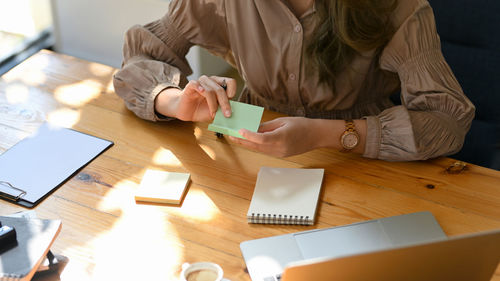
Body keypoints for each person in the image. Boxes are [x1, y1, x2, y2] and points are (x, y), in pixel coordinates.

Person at [113, 0, 475, 161]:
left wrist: (322, 134)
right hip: (249, 158)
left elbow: (446, 120)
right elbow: (142, 57)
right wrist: (176, 102)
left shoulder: (399, 6)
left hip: (360, 164)